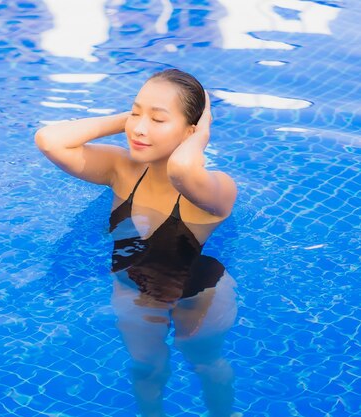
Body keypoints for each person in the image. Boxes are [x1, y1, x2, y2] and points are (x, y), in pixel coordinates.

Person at [34, 69, 241, 417]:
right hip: (132, 287)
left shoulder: (215, 188)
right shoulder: (122, 168)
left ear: (190, 131)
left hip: (200, 293)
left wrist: (201, 132)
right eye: (135, 112)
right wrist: (132, 121)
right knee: (145, 368)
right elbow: (49, 139)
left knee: (204, 363)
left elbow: (181, 169)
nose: (141, 127)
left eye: (158, 118)